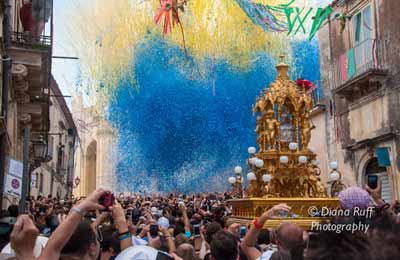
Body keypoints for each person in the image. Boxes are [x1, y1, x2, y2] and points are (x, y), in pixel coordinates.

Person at [241, 204, 305, 260]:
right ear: (303, 241)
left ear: (277, 241)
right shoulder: (312, 257)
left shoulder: (267, 257)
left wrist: (263, 217)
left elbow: (247, 246)